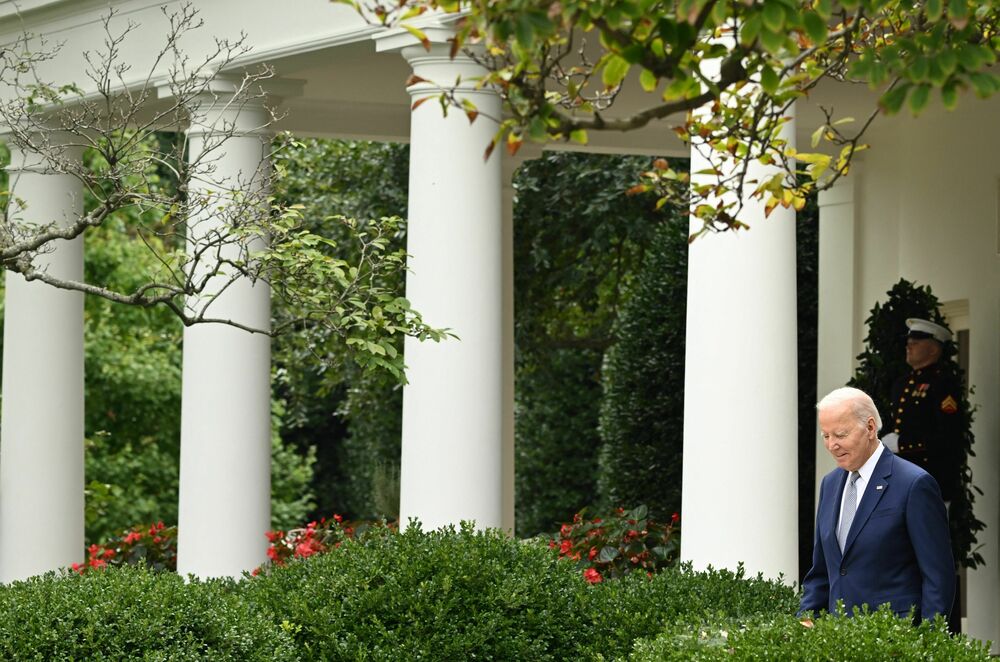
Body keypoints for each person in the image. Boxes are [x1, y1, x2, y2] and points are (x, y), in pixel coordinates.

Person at [799, 387, 954, 623]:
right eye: (826, 436)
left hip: (895, 641)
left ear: (870, 428)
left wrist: (927, 644)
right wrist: (805, 622)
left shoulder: (914, 484)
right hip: (836, 641)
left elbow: (938, 577)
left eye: (840, 435)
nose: (832, 445)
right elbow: (821, 572)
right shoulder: (829, 484)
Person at [881, 318, 963, 503]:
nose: (908, 347)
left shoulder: (943, 384)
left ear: (933, 349)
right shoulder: (901, 384)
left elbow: (949, 436)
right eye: (908, 343)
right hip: (901, 478)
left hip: (930, 479)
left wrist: (904, 444)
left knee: (926, 531)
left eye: (915, 344)